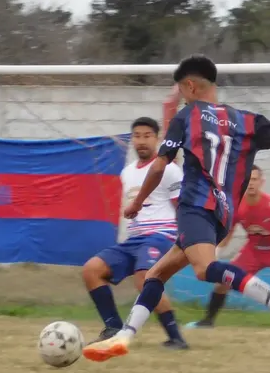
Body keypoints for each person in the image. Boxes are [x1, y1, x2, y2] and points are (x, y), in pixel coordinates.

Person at [82, 54, 270, 362]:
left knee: (204, 269)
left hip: (196, 204)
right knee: (155, 275)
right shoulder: (248, 121)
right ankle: (123, 337)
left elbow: (159, 165)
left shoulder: (187, 116)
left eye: (182, 92)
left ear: (190, 86)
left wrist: (137, 203)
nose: (182, 99)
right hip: (223, 214)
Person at [80, 117, 189, 350]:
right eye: (137, 136)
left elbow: (182, 207)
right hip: (134, 239)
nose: (141, 141)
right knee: (91, 270)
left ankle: (176, 337)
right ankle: (113, 328)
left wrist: (188, 239)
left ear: (157, 139)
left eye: (147, 136)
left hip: (162, 235)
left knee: (145, 279)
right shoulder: (127, 173)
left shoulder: (169, 169)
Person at [187, 165, 270, 330]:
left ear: (261, 182)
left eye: (255, 179)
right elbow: (229, 232)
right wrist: (216, 251)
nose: (251, 183)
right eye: (248, 180)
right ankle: (208, 321)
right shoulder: (237, 206)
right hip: (254, 250)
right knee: (223, 280)